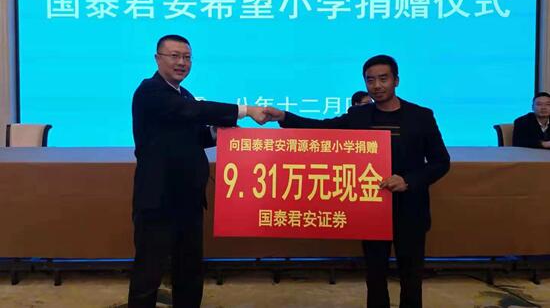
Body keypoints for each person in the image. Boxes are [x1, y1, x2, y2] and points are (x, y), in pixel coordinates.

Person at [264, 55, 450, 308]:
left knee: (411, 276)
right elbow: (322, 129)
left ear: (396, 80)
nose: (377, 86)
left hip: (410, 209)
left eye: (383, 79)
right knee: (374, 276)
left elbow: (441, 162)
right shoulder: (358, 116)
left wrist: (408, 180)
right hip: (371, 207)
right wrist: (284, 117)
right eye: (370, 80)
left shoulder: (421, 116)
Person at [128, 34, 267, 308]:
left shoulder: (184, 94)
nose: (182, 62)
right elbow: (192, 111)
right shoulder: (150, 91)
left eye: (187, 57)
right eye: (175, 56)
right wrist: (246, 110)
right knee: (149, 271)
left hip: (189, 199)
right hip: (158, 200)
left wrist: (220, 133)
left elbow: (194, 134)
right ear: (157, 59)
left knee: (189, 269)